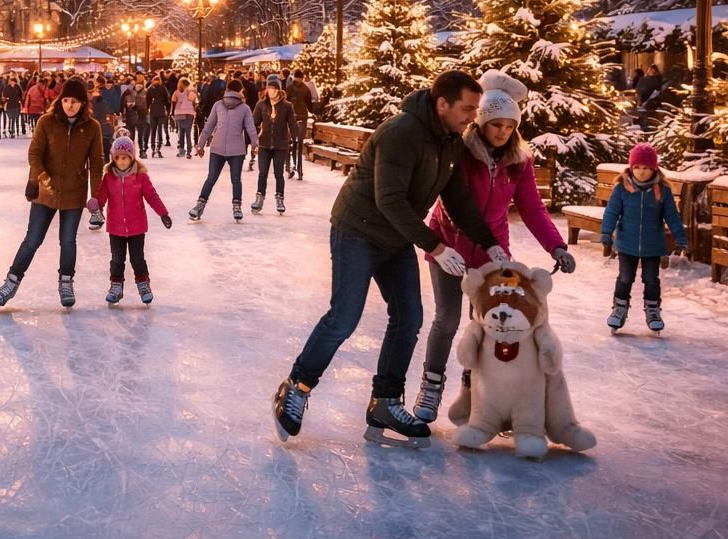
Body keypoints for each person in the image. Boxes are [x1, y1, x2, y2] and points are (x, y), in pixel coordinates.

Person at [272, 70, 502, 449]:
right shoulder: (402, 132)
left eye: (475, 109)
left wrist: (489, 243)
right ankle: (297, 386)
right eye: (466, 108)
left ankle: (385, 401)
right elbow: (388, 199)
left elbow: (457, 199)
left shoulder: (451, 142)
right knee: (344, 316)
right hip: (358, 230)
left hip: (396, 237)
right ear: (442, 103)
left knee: (409, 316)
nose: (472, 117)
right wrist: (437, 247)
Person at [411, 70, 574, 423]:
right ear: (481, 121)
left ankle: (476, 394)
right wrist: (439, 240)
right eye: (495, 124)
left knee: (488, 326)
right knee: (447, 318)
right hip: (449, 248)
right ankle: (431, 385)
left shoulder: (520, 161)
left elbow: (532, 207)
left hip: (493, 254)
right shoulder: (460, 152)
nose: (502, 131)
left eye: (508, 125)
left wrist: (556, 246)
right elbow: (448, 199)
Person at [0, 78, 105, 310]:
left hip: (74, 192)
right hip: (46, 192)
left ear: (83, 103)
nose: (69, 105)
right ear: (60, 100)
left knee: (68, 241)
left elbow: (96, 163)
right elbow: (34, 154)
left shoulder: (92, 127)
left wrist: (96, 199)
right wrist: (42, 177)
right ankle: (11, 281)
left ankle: (66, 281)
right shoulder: (47, 122)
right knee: (33, 239)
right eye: (66, 100)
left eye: (75, 101)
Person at [601, 142, 688, 333]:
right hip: (626, 244)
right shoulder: (621, 189)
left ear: (654, 168)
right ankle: (619, 308)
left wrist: (680, 237)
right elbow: (611, 213)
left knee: (651, 278)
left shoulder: (662, 191)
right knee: (625, 277)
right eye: (637, 167)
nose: (641, 172)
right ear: (631, 167)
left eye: (646, 168)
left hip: (653, 245)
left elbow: (672, 216)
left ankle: (653, 310)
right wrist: (606, 233)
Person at [86, 135, 171, 305]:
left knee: (137, 259)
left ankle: (143, 284)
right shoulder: (109, 177)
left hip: (137, 228)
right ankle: (116, 286)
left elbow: (152, 196)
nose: (122, 161)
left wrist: (163, 213)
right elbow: (101, 198)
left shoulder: (141, 177)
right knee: (117, 259)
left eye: (125, 157)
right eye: (118, 158)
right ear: (113, 158)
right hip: (115, 228)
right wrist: (95, 205)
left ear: (132, 157)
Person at [189, 78, 258, 222]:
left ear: (227, 90)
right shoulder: (244, 108)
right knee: (236, 180)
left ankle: (199, 206)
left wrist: (200, 144)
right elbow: (250, 128)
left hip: (217, 148)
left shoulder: (218, 105)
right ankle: (237, 207)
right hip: (237, 150)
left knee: (211, 179)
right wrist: (255, 144)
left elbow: (208, 126)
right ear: (240, 91)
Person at [252, 76, 298, 214]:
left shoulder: (287, 106)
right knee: (262, 173)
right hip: (264, 144)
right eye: (269, 88)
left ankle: (279, 198)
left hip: (280, 144)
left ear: (279, 90)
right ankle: (259, 197)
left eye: (273, 88)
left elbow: (292, 124)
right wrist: (254, 139)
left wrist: (295, 137)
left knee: (279, 173)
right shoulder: (261, 105)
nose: (270, 91)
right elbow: (254, 123)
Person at [286, 68, 315, 180]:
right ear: (302, 78)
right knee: (299, 143)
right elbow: (309, 104)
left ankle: (289, 167)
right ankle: (299, 169)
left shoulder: (289, 88)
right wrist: (312, 112)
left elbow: (285, 102)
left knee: (290, 143)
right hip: (303, 116)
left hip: (291, 117)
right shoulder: (306, 89)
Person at [171, 77, 198, 157]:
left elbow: (173, 102)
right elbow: (195, 102)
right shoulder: (191, 92)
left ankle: (181, 151)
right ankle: (189, 152)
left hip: (179, 114)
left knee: (181, 133)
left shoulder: (176, 92)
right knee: (188, 133)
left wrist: (172, 113)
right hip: (189, 114)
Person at [146, 74, 170, 158]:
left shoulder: (149, 89)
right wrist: (168, 110)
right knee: (160, 130)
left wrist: (148, 108)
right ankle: (159, 147)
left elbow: (147, 101)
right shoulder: (163, 88)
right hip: (161, 111)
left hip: (153, 111)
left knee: (153, 130)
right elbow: (167, 100)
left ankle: (153, 147)